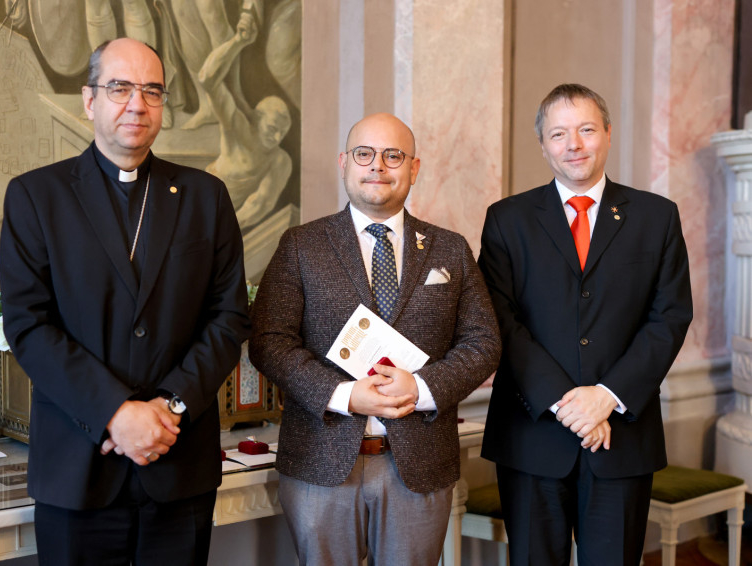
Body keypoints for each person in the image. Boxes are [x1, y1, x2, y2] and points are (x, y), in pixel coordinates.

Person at [0, 37, 249, 565]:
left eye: (152, 91)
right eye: (120, 88)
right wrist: (114, 412)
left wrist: (169, 407)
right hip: (77, 469)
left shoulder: (206, 197)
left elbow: (228, 319)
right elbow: (29, 325)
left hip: (178, 465)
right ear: (90, 100)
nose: (137, 103)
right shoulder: (37, 196)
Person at [249, 112, 501, 565]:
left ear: (414, 168)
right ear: (344, 163)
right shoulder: (301, 245)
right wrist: (345, 395)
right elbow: (269, 341)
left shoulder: (451, 249)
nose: (377, 166)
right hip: (320, 463)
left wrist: (421, 389)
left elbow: (483, 343)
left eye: (393, 156)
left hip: (419, 465)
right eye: (364, 154)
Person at [478, 83, 693, 565]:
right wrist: (568, 403)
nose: (573, 144)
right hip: (531, 436)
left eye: (586, 130)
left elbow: (670, 317)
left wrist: (606, 397)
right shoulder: (507, 220)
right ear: (543, 145)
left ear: (608, 134)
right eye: (558, 134)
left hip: (622, 436)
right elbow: (498, 319)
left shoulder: (657, 216)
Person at [198, 8, 292, 231]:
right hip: (199, 198)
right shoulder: (238, 129)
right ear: (258, 119)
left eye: (282, 133)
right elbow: (207, 79)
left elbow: (260, 203)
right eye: (272, 128)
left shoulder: (279, 161)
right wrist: (238, 42)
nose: (277, 137)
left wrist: (225, 229)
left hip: (221, 219)